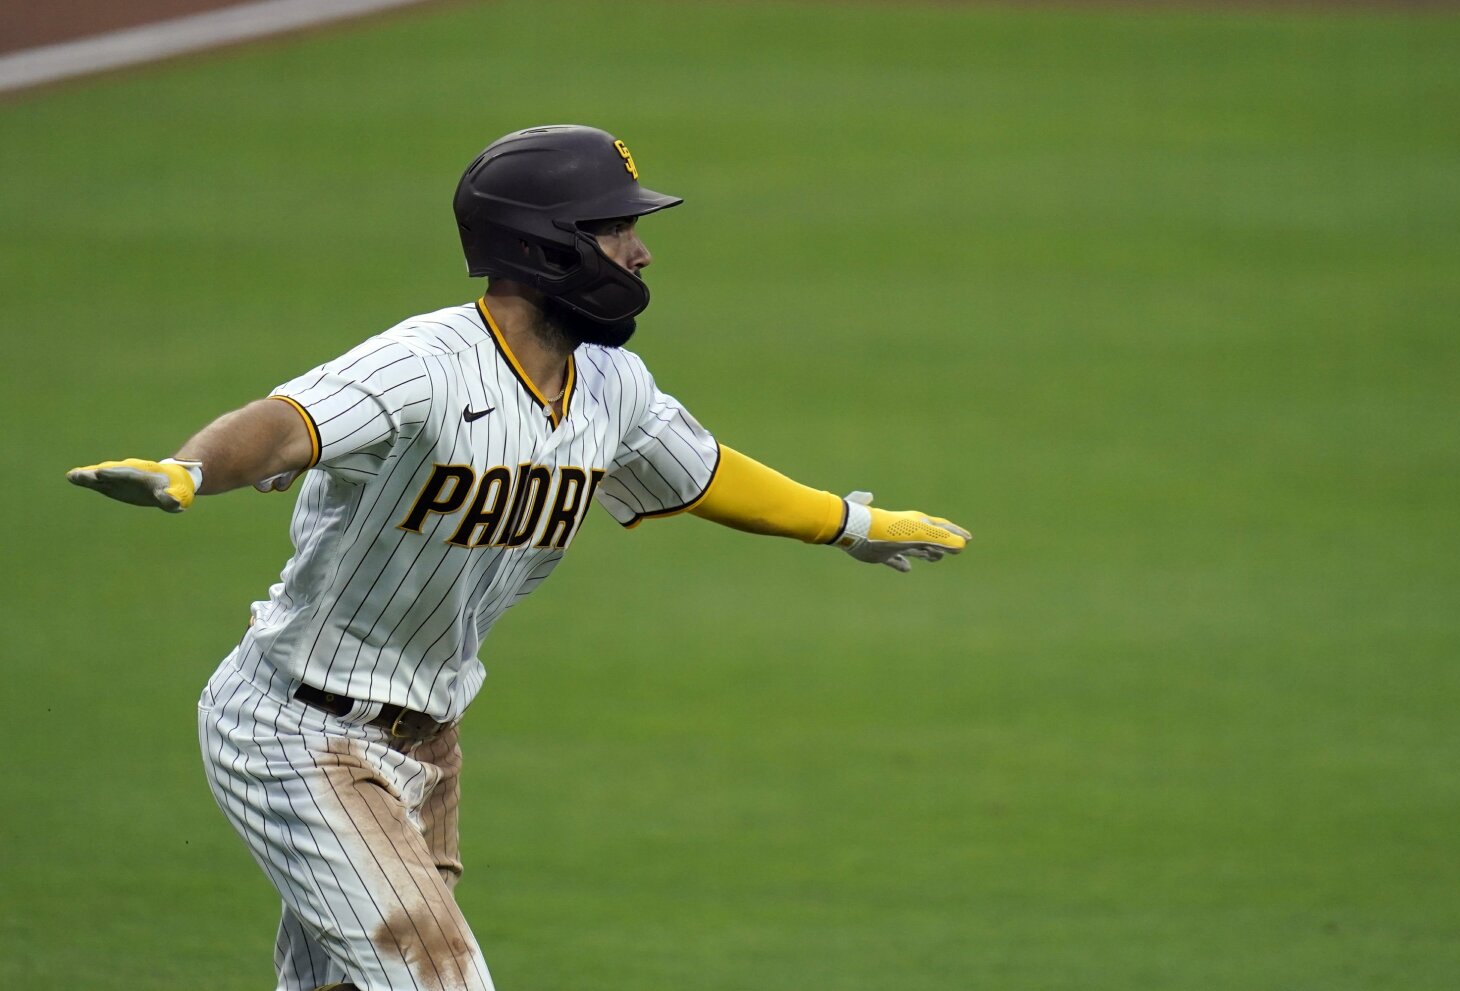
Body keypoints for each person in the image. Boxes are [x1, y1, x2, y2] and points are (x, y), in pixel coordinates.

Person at [67, 124, 970, 991]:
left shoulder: (610, 385)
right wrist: (189, 465)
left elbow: (704, 474)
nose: (641, 253)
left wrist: (846, 523)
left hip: (426, 740)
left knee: (348, 984)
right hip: (298, 732)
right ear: (550, 246)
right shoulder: (425, 364)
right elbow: (284, 425)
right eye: (618, 230)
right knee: (441, 979)